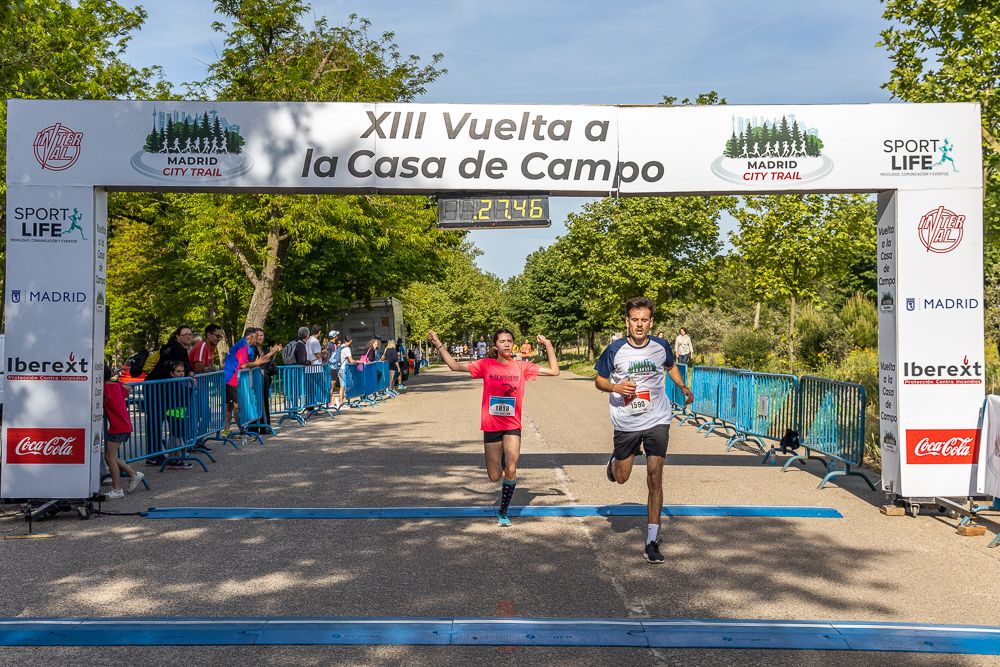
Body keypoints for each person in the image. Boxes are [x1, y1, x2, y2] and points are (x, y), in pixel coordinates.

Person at [428, 328, 560, 527]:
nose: (506, 344)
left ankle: (503, 510)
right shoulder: (486, 365)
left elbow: (554, 371)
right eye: (502, 341)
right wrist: (438, 343)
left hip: (512, 425)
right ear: (495, 345)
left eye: (509, 341)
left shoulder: (521, 366)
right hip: (491, 426)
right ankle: (502, 459)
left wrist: (548, 345)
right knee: (494, 476)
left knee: (512, 468)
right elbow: (454, 366)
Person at [595, 297, 693, 564]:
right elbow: (599, 380)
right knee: (623, 477)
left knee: (655, 478)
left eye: (644, 320)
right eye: (634, 320)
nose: (639, 325)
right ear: (627, 322)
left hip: (657, 418)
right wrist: (615, 388)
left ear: (651, 323)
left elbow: (670, 366)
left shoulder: (661, 346)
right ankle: (615, 461)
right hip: (626, 421)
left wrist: (683, 387)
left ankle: (652, 540)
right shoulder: (615, 349)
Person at [144, 325, 195, 465]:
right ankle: (154, 456)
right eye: (185, 334)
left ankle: (170, 454)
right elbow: (174, 367)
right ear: (177, 336)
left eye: (190, 334)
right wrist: (189, 373)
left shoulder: (181, 348)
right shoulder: (174, 348)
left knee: (172, 420)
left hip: (166, 390)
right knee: (156, 422)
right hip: (156, 389)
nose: (188, 337)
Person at [103, 365, 145, 498]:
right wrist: (116, 381)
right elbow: (128, 387)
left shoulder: (103, 388)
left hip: (118, 427)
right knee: (110, 457)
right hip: (123, 425)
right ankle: (134, 474)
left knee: (110, 458)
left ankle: (117, 489)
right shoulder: (115, 386)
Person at [222, 328, 258, 436]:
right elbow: (243, 365)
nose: (257, 340)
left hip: (230, 378)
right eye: (255, 337)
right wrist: (257, 363)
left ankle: (226, 430)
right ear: (250, 337)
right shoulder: (242, 346)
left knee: (230, 406)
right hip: (232, 379)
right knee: (238, 405)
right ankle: (243, 430)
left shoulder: (245, 346)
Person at [337, 333, 358, 407]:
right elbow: (351, 361)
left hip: (339, 369)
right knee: (351, 384)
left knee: (342, 386)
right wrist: (358, 361)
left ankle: (340, 402)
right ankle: (342, 399)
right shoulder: (347, 348)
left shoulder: (341, 346)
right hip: (344, 369)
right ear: (351, 341)